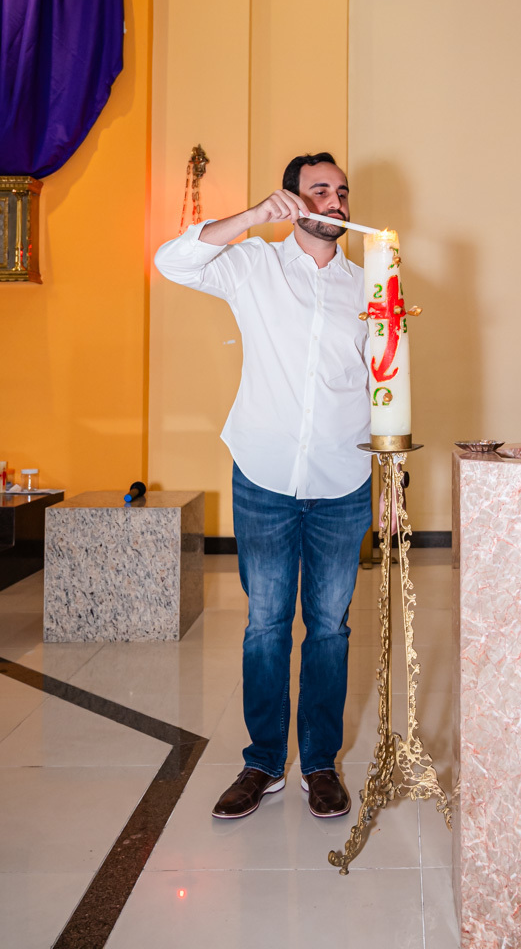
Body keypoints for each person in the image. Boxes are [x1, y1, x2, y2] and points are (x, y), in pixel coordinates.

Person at [154, 152, 372, 821]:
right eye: (320, 191)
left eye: (340, 192)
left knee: (329, 629)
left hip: (343, 477)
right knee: (267, 625)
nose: (335, 202)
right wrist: (249, 217)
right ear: (291, 199)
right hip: (265, 473)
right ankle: (261, 762)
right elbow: (173, 260)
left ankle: (319, 764)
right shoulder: (253, 266)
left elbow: (384, 384)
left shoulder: (370, 285)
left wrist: (391, 480)